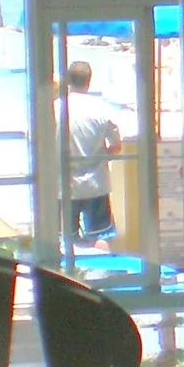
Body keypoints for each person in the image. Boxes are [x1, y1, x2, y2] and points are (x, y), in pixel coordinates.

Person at [59, 60, 122, 248]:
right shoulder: (101, 108)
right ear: (89, 81)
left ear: (68, 80)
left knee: (64, 238)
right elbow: (116, 145)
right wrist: (101, 158)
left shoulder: (54, 107)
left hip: (62, 184)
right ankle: (104, 272)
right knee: (101, 237)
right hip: (96, 182)